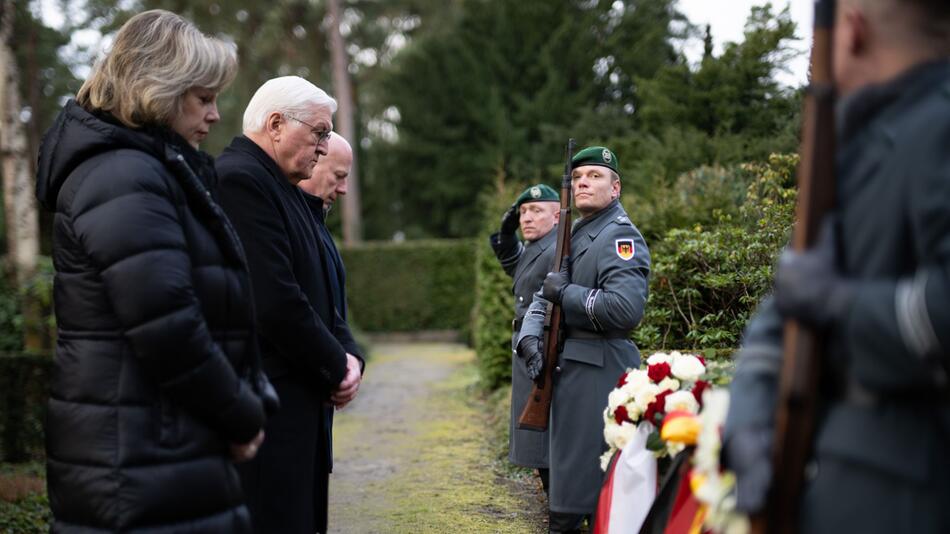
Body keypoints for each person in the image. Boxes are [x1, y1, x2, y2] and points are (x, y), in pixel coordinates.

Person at [34, 10, 267, 532]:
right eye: (203, 99)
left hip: (156, 452)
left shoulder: (145, 170)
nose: (214, 115)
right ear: (160, 90)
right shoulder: (123, 176)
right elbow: (168, 326)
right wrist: (242, 413)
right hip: (142, 465)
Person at [723, 1, 950, 532]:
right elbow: (788, 303)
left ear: (852, 31)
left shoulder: (934, 129)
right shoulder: (861, 144)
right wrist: (751, 412)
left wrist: (840, 304)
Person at [215, 76, 365, 534]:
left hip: (295, 403)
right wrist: (334, 365)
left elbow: (320, 292)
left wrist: (349, 355)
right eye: (319, 133)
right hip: (270, 407)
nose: (324, 147)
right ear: (276, 124)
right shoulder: (241, 181)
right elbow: (274, 299)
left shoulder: (281, 185)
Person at [517, 147, 651, 533]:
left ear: (616, 188)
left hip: (599, 373)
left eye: (594, 175)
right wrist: (529, 339)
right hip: (571, 371)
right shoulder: (578, 233)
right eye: (577, 177)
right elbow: (544, 296)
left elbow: (625, 310)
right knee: (567, 496)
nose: (583, 183)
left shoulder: (619, 235)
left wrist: (568, 295)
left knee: (586, 500)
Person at [489, 183, 560, 492]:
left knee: (544, 433)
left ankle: (561, 511)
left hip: (542, 345)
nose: (527, 218)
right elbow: (516, 267)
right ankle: (556, 507)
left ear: (557, 216)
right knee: (535, 435)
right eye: (523, 212)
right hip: (526, 344)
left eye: (536, 210)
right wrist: (506, 238)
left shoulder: (558, 249)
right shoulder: (537, 246)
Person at [299, 131, 352, 318]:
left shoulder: (315, 221)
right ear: (312, 164)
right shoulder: (295, 224)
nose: (343, 189)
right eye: (338, 176)